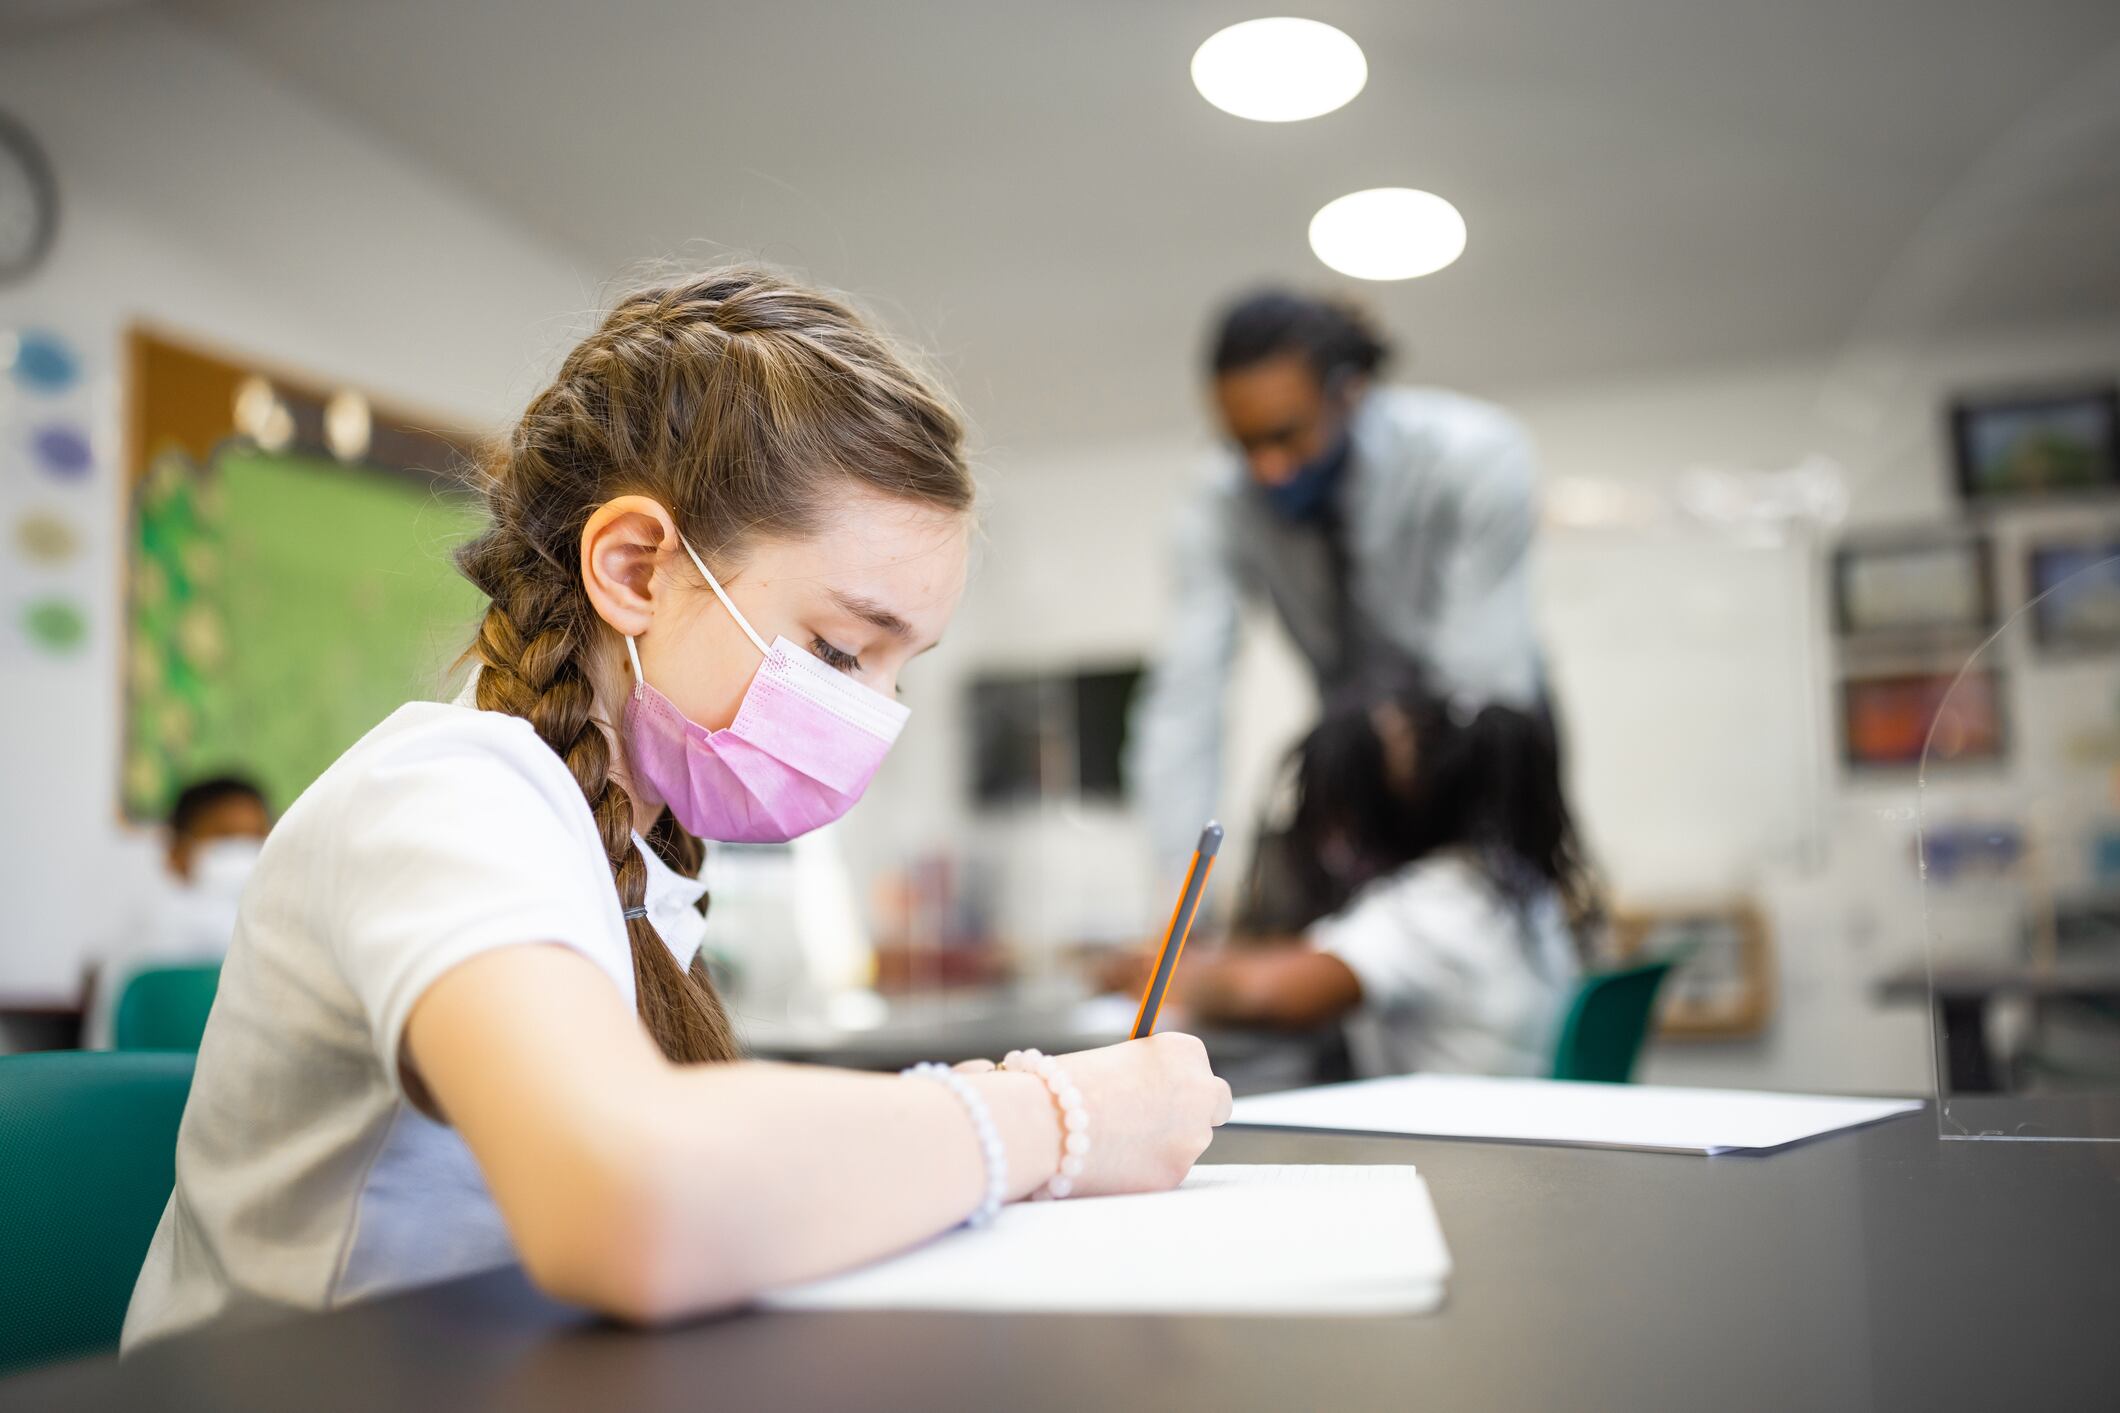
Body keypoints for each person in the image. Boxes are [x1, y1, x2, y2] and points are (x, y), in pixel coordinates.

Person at [123, 270, 1230, 1350]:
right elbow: (630, 1199)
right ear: (637, 570)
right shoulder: (444, 795)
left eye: (900, 667)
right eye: (840, 648)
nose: (873, 716)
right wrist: (1054, 1118)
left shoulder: (646, 852)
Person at [1127, 289, 1547, 874]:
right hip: (1351, 752)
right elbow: (1186, 701)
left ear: (1349, 392)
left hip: (1480, 732)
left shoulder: (1472, 457)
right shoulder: (1216, 503)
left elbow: (1482, 681)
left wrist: (1474, 869)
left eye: (1285, 436)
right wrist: (1178, 899)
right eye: (1243, 443)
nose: (1265, 468)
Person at [1118, 687, 1596, 1080]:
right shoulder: (1511, 883)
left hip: (1462, 1155)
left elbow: (1261, 992)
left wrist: (1153, 972)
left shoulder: (1428, 911)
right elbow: (1310, 957)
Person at [82, 774, 271, 1049]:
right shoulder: (163, 920)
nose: (244, 852)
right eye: (226, 838)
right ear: (176, 850)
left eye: (256, 838)